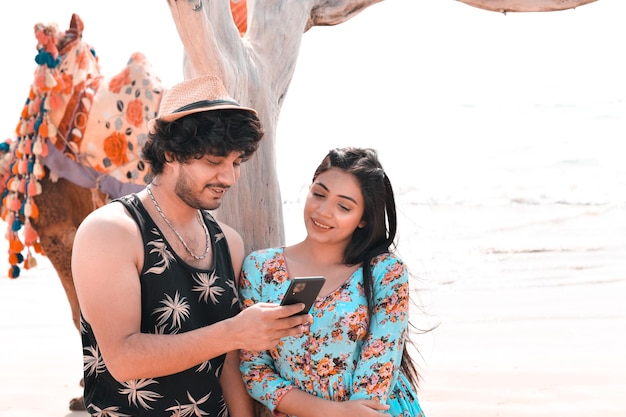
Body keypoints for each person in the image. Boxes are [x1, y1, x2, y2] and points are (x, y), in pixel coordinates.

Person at [71, 75, 312, 417]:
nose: (228, 177)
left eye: (236, 163)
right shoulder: (111, 231)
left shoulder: (228, 242)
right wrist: (235, 332)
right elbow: (123, 359)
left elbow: (230, 365)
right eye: (214, 162)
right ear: (170, 153)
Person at [238, 147, 426, 417]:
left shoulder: (384, 272)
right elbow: (255, 371)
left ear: (362, 219)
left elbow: (377, 375)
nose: (324, 211)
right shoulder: (260, 268)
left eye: (343, 206)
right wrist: (334, 412)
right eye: (319, 194)